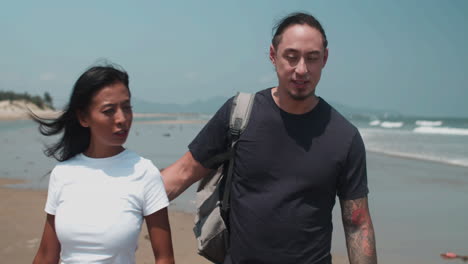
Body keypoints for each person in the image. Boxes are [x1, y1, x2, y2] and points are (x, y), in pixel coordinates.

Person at [162, 12, 377, 264]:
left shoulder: (344, 137)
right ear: (273, 55)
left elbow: (357, 224)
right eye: (291, 56)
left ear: (324, 59)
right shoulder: (239, 115)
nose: (301, 70)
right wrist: (117, 199)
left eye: (312, 58)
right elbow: (182, 174)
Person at [32, 65, 175, 264]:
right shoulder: (63, 173)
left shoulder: (144, 173)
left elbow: (165, 258)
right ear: (83, 118)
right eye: (109, 110)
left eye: (127, 107)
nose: (122, 119)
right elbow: (47, 254)